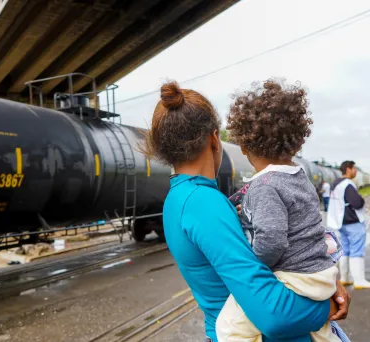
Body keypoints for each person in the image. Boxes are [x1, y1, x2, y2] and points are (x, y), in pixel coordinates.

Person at [140, 80, 350, 342]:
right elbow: (273, 316)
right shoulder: (203, 202)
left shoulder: (180, 197)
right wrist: (327, 305)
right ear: (214, 139)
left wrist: (318, 276)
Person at [214, 79, 346, 342]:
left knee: (228, 328)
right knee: (317, 331)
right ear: (295, 142)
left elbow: (272, 240)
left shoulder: (264, 186)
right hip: (320, 275)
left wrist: (253, 267)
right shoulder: (300, 177)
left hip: (295, 277)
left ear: (244, 146)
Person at [328, 160, 369, 289]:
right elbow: (357, 203)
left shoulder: (335, 183)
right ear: (349, 169)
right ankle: (359, 280)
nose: (356, 171)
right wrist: (362, 200)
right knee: (357, 250)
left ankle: (345, 278)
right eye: (354, 168)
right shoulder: (348, 184)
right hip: (353, 222)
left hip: (341, 222)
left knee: (345, 251)